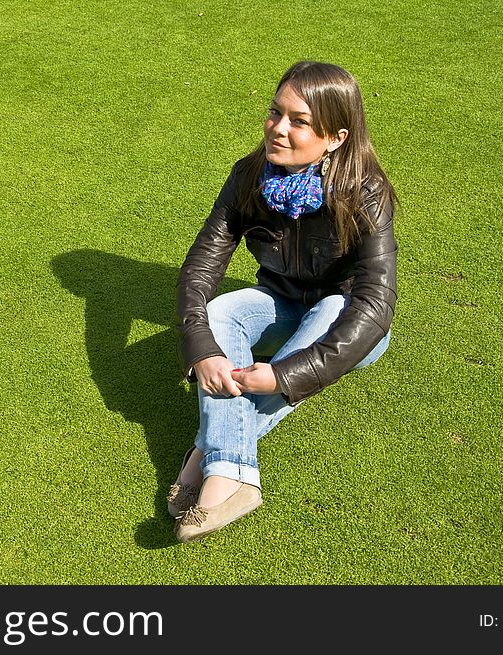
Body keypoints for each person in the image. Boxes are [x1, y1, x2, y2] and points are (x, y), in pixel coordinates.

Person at [170, 60, 398, 543]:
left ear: (335, 137)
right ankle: (233, 476)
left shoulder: (367, 192)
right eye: (276, 113)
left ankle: (209, 458)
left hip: (347, 316)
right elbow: (201, 267)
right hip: (278, 300)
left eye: (298, 121)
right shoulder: (249, 175)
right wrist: (202, 348)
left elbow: (376, 305)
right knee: (220, 313)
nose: (278, 129)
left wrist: (283, 374)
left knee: (334, 309)